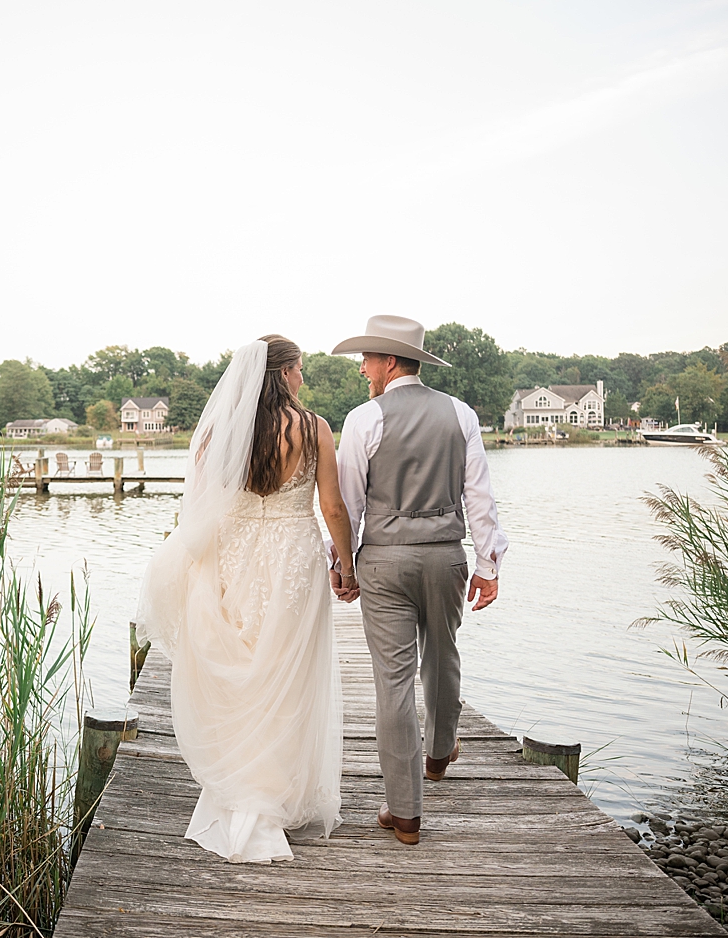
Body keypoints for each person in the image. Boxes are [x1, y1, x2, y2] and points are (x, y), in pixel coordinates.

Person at [134, 335, 356, 863]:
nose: (303, 378)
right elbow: (333, 507)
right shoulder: (314, 428)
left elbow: (204, 503)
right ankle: (270, 791)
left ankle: (243, 785)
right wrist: (345, 564)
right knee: (287, 674)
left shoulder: (218, 432)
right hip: (293, 559)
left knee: (241, 671)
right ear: (282, 374)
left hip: (234, 557)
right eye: (299, 369)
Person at [329, 315, 509, 845]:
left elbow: (349, 504)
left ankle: (405, 811)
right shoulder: (461, 413)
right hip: (446, 557)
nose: (363, 368)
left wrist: (343, 566)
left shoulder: (363, 419)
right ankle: (438, 755)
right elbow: (480, 495)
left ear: (389, 361)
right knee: (443, 652)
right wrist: (488, 566)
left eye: (367, 358)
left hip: (384, 562)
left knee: (393, 681)